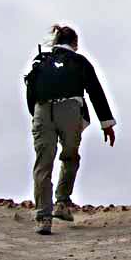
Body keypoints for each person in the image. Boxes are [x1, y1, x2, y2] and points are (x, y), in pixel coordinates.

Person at [24, 24, 117, 235]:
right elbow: (95, 91)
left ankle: (43, 219)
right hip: (70, 110)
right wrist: (107, 124)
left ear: (56, 42)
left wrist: (38, 116)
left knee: (43, 164)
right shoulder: (80, 61)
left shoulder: (41, 60)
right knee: (69, 157)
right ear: (75, 43)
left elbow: (30, 92)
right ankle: (62, 204)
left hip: (42, 110)